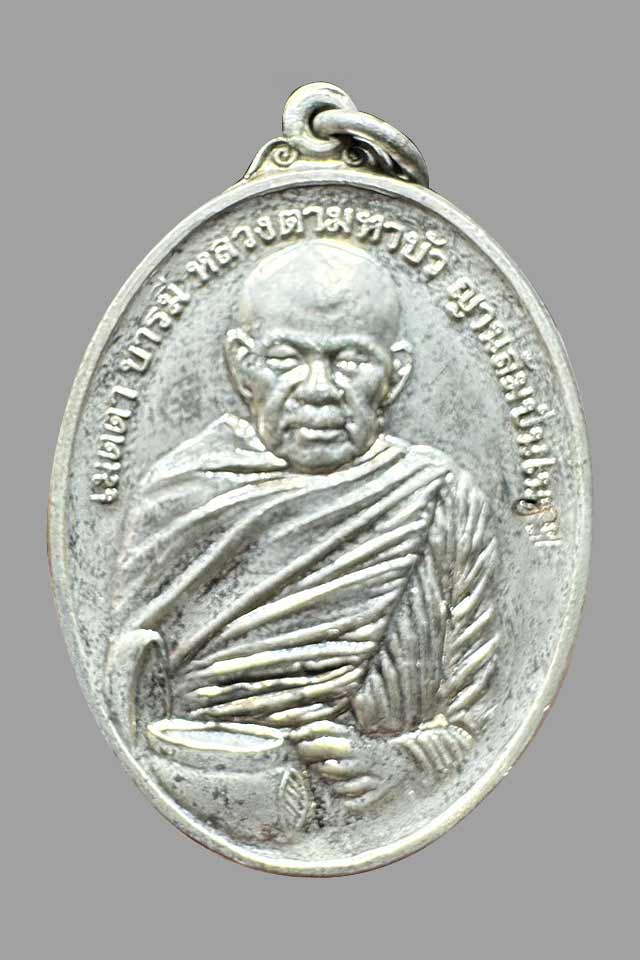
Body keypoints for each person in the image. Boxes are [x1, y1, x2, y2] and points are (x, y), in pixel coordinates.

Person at [112, 240, 498, 810]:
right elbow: (121, 685)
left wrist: (401, 764)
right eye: (286, 358)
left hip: (364, 806)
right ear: (243, 366)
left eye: (350, 361)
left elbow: (478, 724)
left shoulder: (440, 495)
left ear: (395, 375)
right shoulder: (181, 494)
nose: (319, 389)